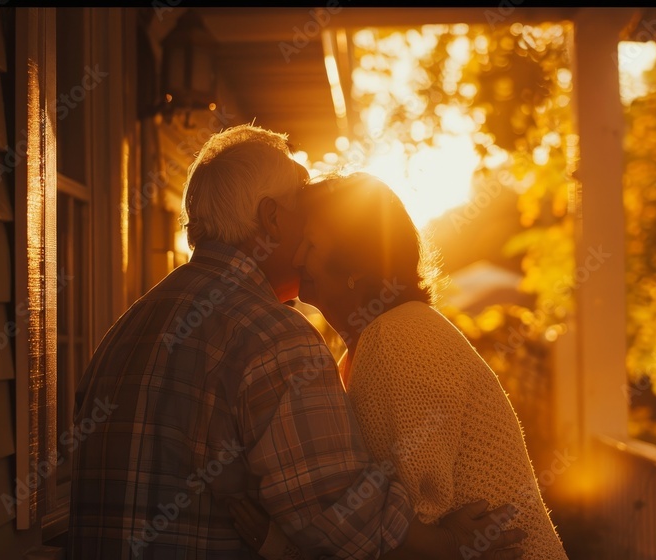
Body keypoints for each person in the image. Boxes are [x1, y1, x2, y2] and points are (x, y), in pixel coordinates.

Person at [67, 125, 525, 560]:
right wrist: (447, 545)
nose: (309, 235)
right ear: (271, 219)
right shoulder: (271, 336)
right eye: (302, 214)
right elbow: (340, 514)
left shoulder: (127, 328)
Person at [232, 172, 569, 559]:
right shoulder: (372, 342)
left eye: (311, 244)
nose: (296, 257)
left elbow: (409, 526)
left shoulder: (396, 338)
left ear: (357, 266)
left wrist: (278, 546)